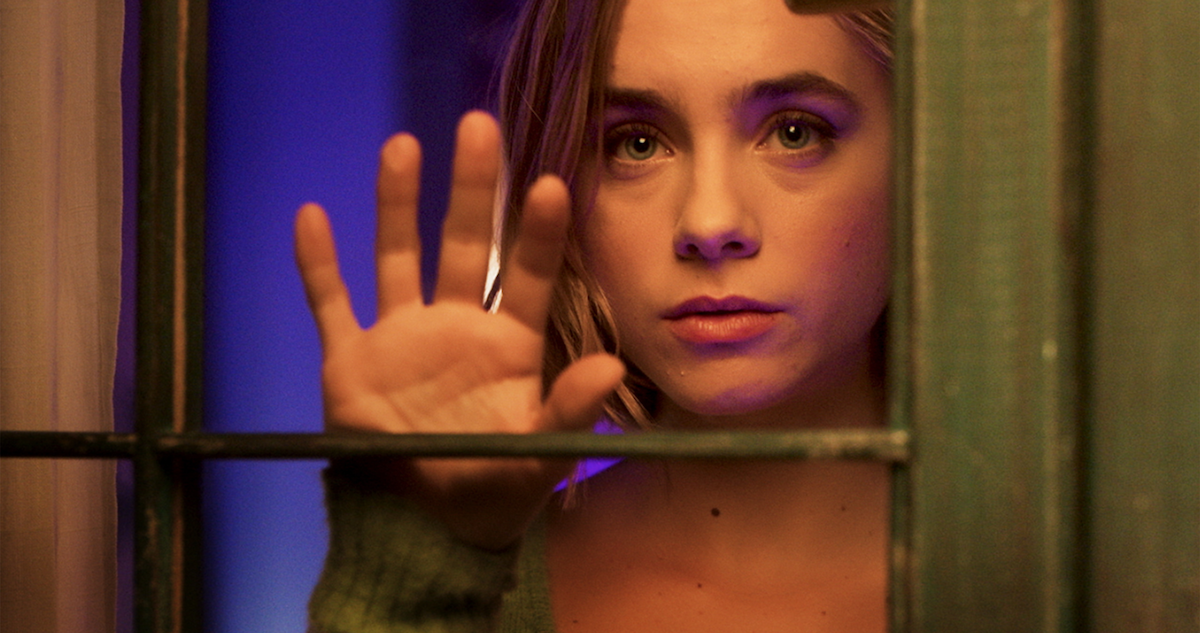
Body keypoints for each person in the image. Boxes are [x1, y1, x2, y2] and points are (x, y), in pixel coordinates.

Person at [295, 0, 894, 630]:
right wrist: (408, 581)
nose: (709, 224)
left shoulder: (1007, 576)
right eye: (635, 144)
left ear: (923, 160)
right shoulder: (475, 594)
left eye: (795, 132)